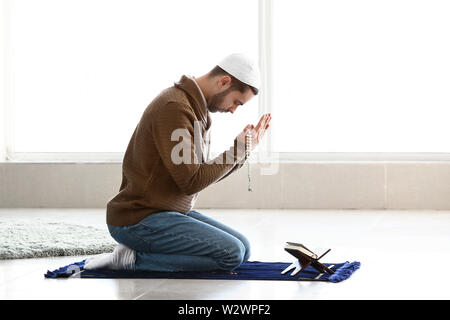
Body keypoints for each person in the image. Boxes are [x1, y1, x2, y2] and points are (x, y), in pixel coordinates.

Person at [85, 53, 272, 272]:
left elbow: (200, 175)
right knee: (232, 254)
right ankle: (131, 259)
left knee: (244, 249)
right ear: (224, 82)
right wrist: (237, 151)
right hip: (138, 219)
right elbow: (191, 182)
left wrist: (243, 151)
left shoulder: (194, 109)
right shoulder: (176, 108)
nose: (233, 110)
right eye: (236, 102)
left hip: (165, 213)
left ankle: (142, 254)